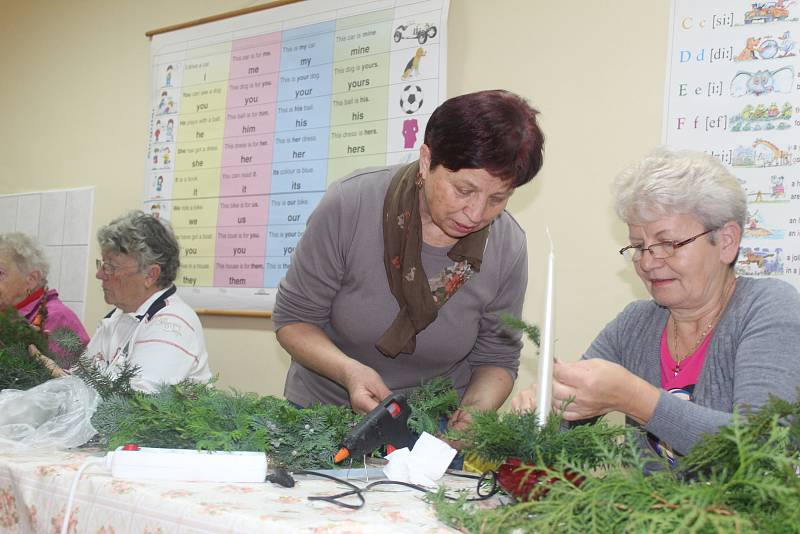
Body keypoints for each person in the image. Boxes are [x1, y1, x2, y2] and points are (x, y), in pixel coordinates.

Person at [273, 89, 545, 436]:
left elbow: (496, 359)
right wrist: (348, 372)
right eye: (463, 190)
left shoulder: (507, 246)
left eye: (497, 198)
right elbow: (294, 320)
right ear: (426, 159)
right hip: (324, 417)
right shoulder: (351, 205)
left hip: (432, 430)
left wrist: (476, 411)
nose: (476, 213)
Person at [513, 147, 800, 462]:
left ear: (726, 241)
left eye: (668, 244)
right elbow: (564, 433)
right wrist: (544, 408)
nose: (648, 262)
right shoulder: (635, 323)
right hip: (648, 510)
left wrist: (635, 398)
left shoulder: (770, 307)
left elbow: (763, 446)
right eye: (638, 246)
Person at [82, 211, 212, 393]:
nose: (100, 275)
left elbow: (130, 404)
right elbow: (81, 380)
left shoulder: (173, 324)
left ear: (150, 275)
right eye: (102, 265)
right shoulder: (118, 315)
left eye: (110, 267)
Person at [0, 232, 89, 354]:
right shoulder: (5, 313)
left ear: (31, 279)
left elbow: (58, 372)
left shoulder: (58, 318)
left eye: (0, 273)